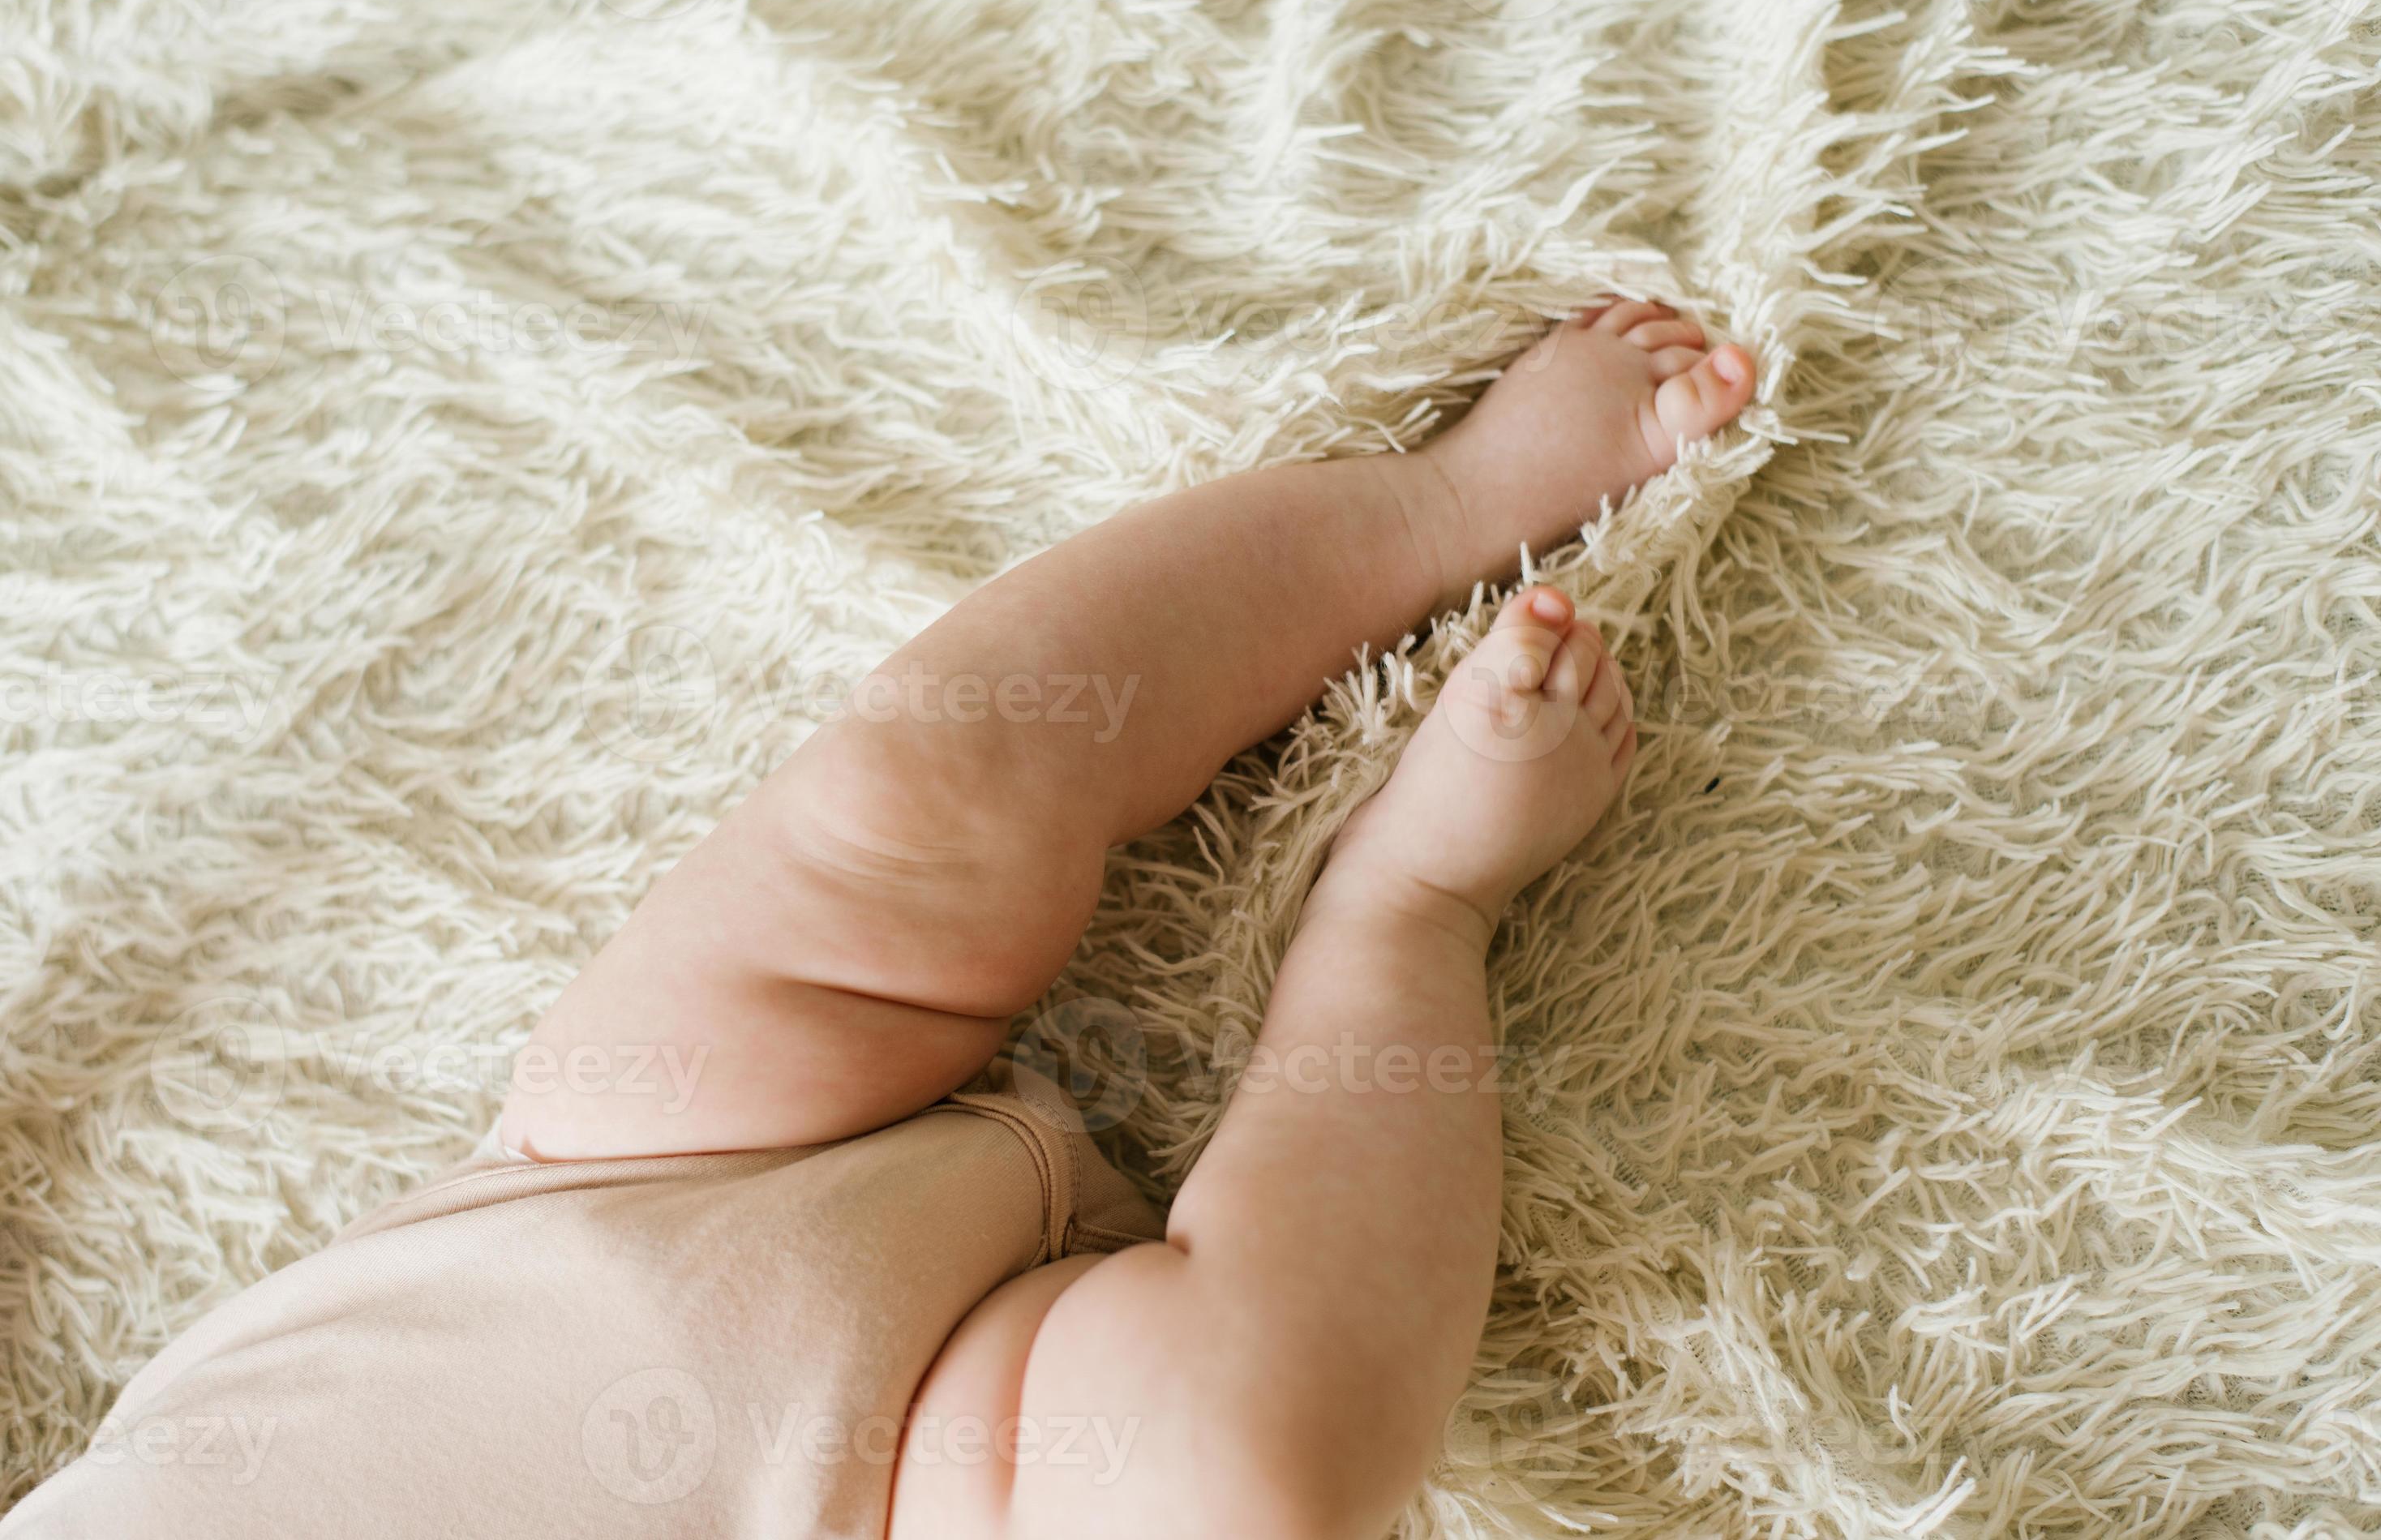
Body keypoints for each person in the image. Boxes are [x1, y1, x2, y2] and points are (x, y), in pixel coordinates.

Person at [3, 302, 1754, 1539]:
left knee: (916, 782)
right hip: (931, 1477)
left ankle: (1439, 506)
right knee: (1246, 1474)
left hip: (616, 1177)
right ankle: (1409, 902)